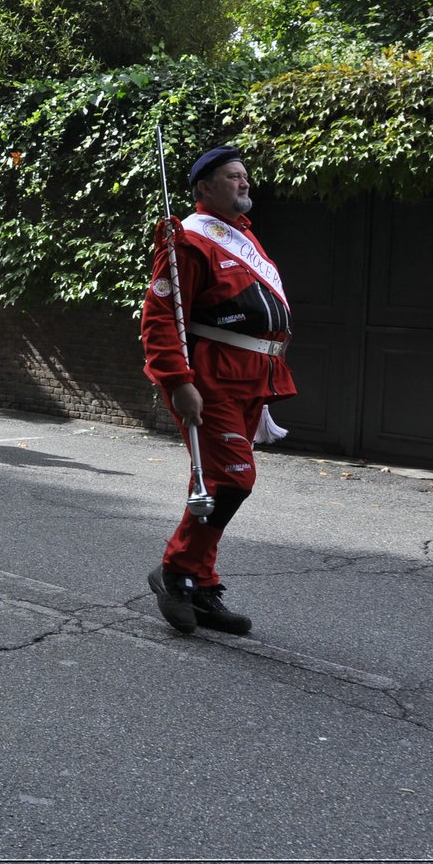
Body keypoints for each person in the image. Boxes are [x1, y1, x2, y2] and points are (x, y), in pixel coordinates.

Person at [141, 146, 295, 636]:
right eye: (233, 177)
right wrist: (179, 382)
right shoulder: (187, 240)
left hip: (252, 380)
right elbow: (160, 320)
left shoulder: (243, 238)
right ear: (205, 188)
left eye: (246, 176)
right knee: (233, 480)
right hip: (213, 382)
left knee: (210, 484)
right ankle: (176, 571)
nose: (245, 183)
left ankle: (201, 585)